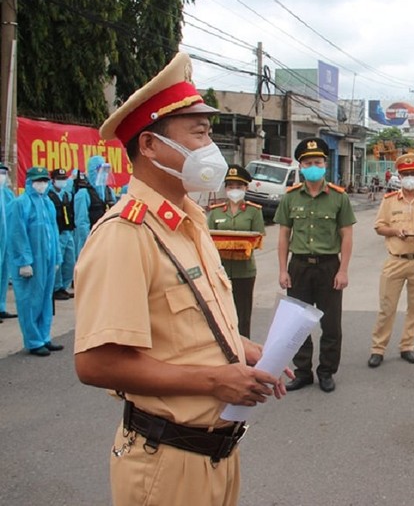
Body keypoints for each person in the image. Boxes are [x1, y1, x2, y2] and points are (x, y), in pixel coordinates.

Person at [73, 53, 289, 506]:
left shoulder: (190, 220)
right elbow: (96, 364)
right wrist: (214, 381)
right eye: (199, 133)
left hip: (217, 453)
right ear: (149, 146)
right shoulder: (126, 234)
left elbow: (187, 330)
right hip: (167, 462)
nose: (210, 147)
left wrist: (245, 350)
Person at [275, 137, 356, 393]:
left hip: (328, 266)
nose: (314, 165)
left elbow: (347, 235)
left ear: (325, 164)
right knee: (298, 323)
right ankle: (303, 372)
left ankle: (326, 371)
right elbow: (283, 235)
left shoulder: (338, 198)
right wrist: (282, 269)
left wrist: (343, 270)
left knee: (331, 324)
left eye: (318, 161)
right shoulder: (290, 198)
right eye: (308, 162)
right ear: (301, 166)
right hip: (299, 266)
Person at [368, 152, 414, 368]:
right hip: (395, 260)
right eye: (406, 174)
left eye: (413, 173)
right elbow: (379, 227)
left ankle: (407, 346)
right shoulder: (389, 201)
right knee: (387, 306)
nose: (410, 177)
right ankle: (378, 349)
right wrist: (394, 230)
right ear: (399, 177)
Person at [207, 164, 265, 338]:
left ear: (246, 188)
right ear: (225, 188)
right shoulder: (216, 212)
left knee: (242, 315)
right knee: (220, 313)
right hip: (220, 271)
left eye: (238, 187)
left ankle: (243, 351)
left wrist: (236, 244)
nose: (234, 190)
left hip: (244, 271)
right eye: (231, 186)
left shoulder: (254, 211)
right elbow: (207, 239)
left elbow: (258, 237)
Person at [8, 166, 62, 356]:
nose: (42, 184)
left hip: (47, 260)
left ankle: (44, 336)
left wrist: (57, 257)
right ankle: (33, 340)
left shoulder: (47, 202)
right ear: (29, 182)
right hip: (31, 262)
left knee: (46, 299)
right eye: (38, 181)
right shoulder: (20, 204)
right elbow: (17, 234)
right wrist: (24, 261)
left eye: (45, 181)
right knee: (30, 301)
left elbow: (53, 232)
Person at [74, 155, 116, 258]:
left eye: (106, 171)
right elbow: (81, 222)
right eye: (101, 171)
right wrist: (89, 244)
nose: (104, 174)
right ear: (93, 171)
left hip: (108, 240)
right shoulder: (84, 193)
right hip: (92, 242)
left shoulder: (109, 192)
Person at [48, 168, 77, 300]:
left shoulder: (66, 194)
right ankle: (56, 288)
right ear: (53, 181)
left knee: (70, 261)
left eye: (64, 179)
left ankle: (63, 287)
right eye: (59, 179)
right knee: (57, 262)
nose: (62, 182)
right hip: (57, 232)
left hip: (68, 231)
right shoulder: (49, 195)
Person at [0, 163, 17, 321]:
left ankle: (1, 306)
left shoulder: (8, 195)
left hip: (5, 241)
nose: (2, 177)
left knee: (4, 273)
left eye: (4, 173)